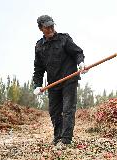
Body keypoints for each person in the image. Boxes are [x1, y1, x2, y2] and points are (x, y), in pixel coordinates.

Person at [33, 15, 88, 146]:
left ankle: (66, 140)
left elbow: (77, 53)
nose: (51, 28)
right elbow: (38, 68)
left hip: (69, 80)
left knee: (68, 109)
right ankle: (57, 137)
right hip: (53, 83)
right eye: (47, 27)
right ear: (41, 28)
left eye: (52, 25)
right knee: (54, 111)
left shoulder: (64, 39)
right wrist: (37, 85)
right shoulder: (39, 46)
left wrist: (81, 63)